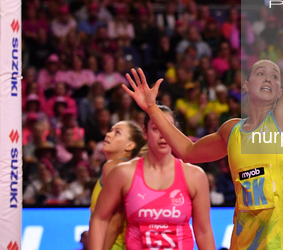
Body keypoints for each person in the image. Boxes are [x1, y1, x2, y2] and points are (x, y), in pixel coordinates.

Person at [122, 0, 283, 249]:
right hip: (243, 243)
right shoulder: (231, 131)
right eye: (260, 71)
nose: (268, 77)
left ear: (281, 90)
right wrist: (152, 109)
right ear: (246, 85)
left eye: (274, 75)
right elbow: (189, 152)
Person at [89, 106, 215, 250]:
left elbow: (203, 231)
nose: (163, 135)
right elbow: (100, 218)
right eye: (156, 128)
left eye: (168, 128)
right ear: (145, 132)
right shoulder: (123, 173)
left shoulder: (195, 176)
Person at [89, 120, 146, 250]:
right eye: (110, 130)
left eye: (117, 133)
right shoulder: (124, 169)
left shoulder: (113, 167)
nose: (109, 134)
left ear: (130, 145)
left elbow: (116, 222)